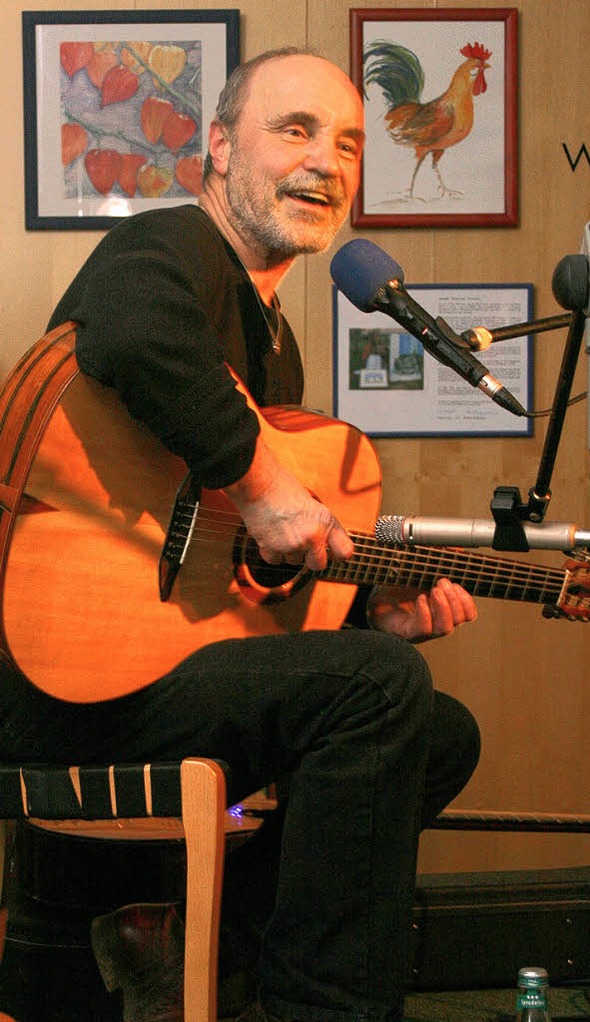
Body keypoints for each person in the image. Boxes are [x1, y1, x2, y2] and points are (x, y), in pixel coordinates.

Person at [24, 47, 481, 1022]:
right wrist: (270, 486)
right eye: (296, 129)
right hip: (59, 681)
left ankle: (191, 942)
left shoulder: (276, 347)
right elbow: (130, 324)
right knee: (379, 696)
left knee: (434, 730)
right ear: (219, 150)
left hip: (156, 670)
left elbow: (230, 595)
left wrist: (372, 623)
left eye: (349, 142)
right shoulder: (171, 248)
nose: (328, 159)